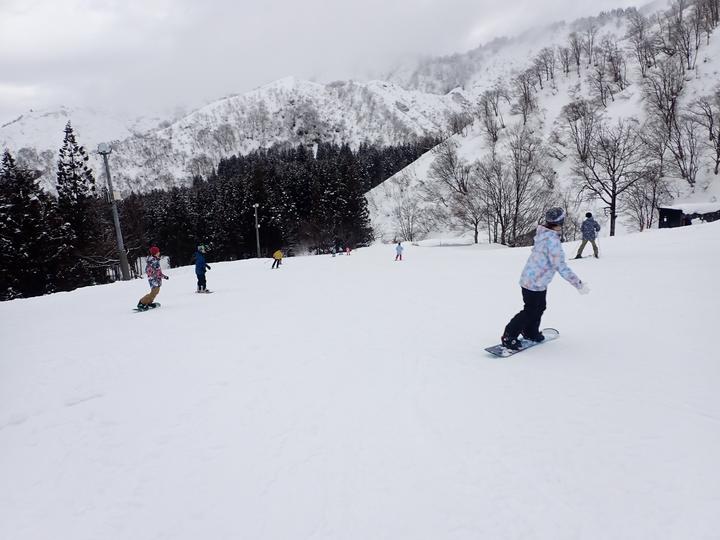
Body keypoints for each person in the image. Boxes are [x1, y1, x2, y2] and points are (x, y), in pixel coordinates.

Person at [501, 207, 590, 350]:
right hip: (534, 282)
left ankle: (530, 332)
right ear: (560, 221)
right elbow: (561, 267)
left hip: (535, 280)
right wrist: (578, 284)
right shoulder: (552, 241)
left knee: (539, 307)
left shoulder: (543, 234)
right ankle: (509, 335)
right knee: (530, 310)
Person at [137, 246, 169, 310]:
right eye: (158, 252)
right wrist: (154, 274)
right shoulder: (152, 261)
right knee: (154, 292)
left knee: (156, 291)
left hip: (156, 279)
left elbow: (158, 271)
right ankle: (142, 302)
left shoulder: (155, 260)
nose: (159, 253)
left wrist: (163, 276)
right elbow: (148, 270)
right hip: (153, 279)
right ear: (155, 253)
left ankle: (148, 302)